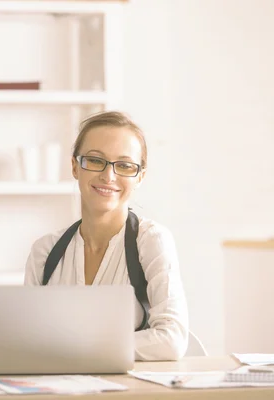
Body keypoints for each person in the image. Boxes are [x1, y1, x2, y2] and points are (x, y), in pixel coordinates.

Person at [24, 111, 189, 360]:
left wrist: (79, 347)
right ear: (74, 167)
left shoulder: (151, 241)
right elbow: (26, 341)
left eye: (124, 165)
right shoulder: (45, 252)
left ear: (140, 177)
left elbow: (172, 339)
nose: (108, 176)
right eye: (95, 160)